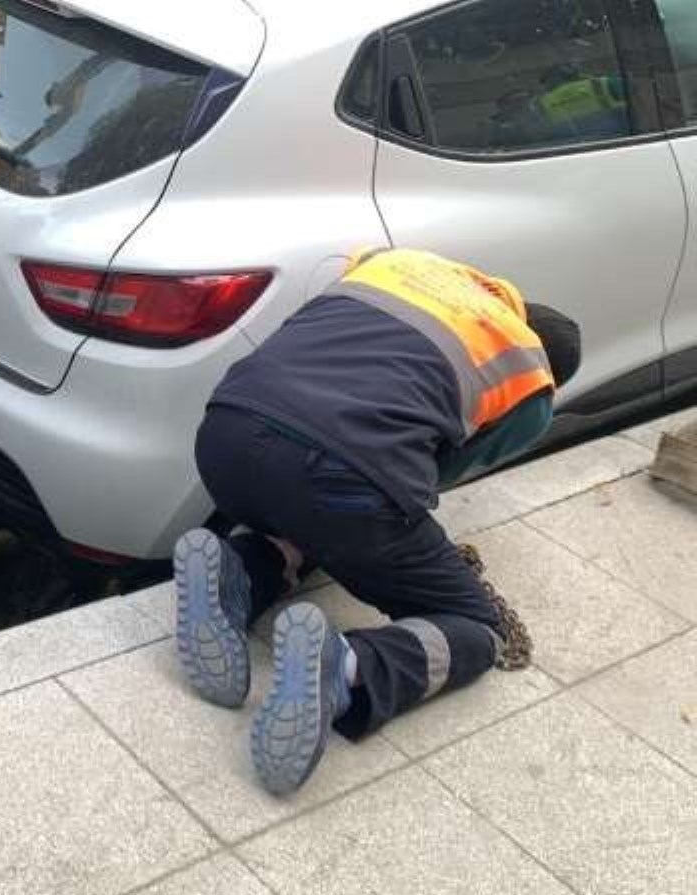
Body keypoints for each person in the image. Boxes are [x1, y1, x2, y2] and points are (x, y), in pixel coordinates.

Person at [176, 248, 582, 795]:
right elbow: (430, 474)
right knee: (479, 627)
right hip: (345, 477)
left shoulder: (398, 266)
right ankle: (347, 666)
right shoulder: (529, 377)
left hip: (224, 437)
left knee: (318, 508)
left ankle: (237, 574)